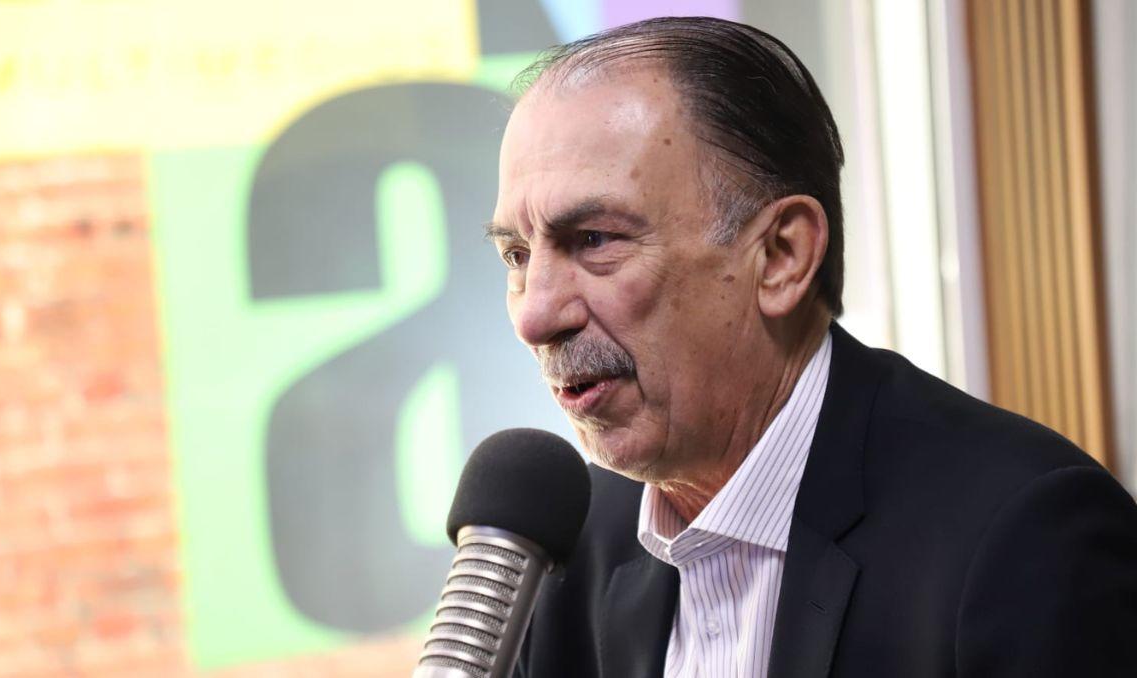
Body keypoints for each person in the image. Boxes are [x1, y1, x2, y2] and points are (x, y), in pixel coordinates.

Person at [485, 16, 1137, 678]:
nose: (534, 316)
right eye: (516, 255)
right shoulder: (573, 545)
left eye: (594, 240)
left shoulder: (1023, 537)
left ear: (781, 256)